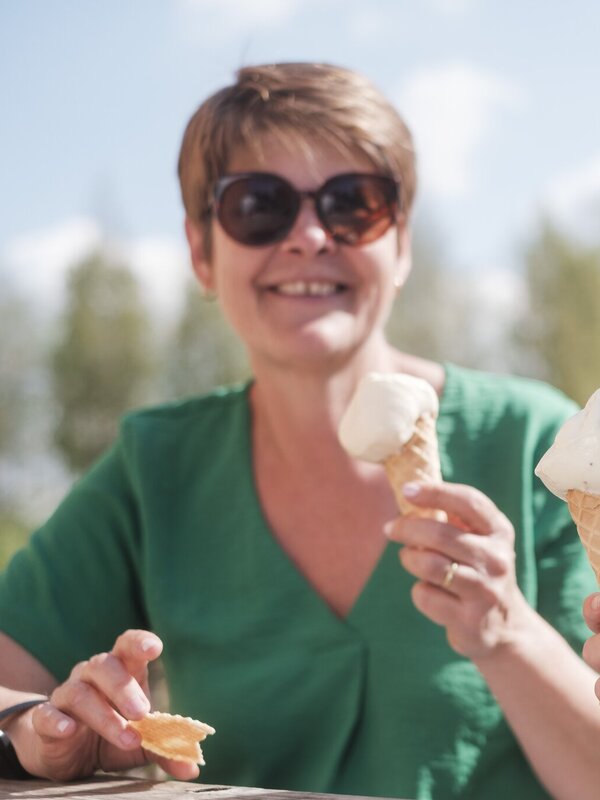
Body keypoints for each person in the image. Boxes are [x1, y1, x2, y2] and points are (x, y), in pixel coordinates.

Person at [0, 62, 598, 800]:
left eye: (354, 203)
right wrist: (37, 728)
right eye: (259, 205)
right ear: (201, 252)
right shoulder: (156, 469)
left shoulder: (541, 444)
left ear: (401, 243)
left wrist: (510, 634)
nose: (311, 235)